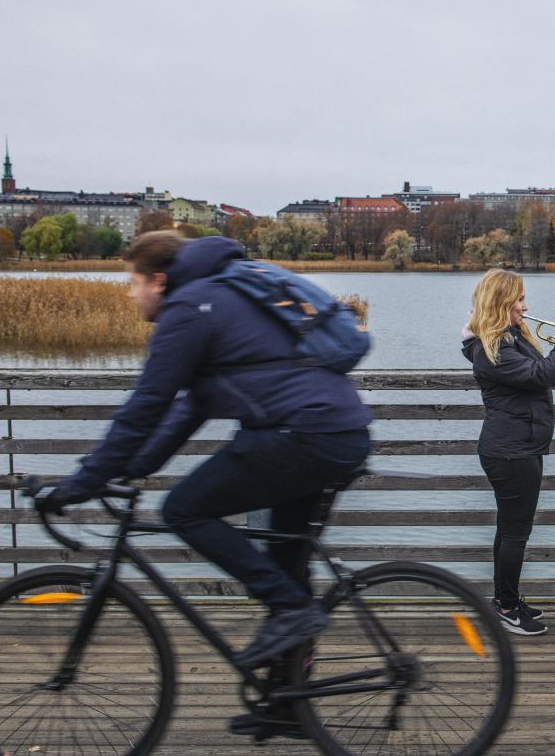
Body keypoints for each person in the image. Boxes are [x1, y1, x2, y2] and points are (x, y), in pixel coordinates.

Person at [34, 230, 371, 735]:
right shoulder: (220, 295)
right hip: (335, 431)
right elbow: (187, 409)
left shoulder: (190, 307)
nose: (130, 294)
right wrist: (130, 468)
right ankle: (288, 702)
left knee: (183, 510)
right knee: (286, 562)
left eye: (133, 282)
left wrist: (84, 481)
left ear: (158, 280)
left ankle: (292, 612)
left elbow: (146, 403)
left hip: (302, 435)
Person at [461, 269, 555, 636]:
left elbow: (534, 370)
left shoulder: (507, 337)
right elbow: (540, 376)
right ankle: (506, 609)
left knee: (511, 529)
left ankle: (508, 599)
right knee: (516, 532)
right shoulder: (492, 348)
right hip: (510, 450)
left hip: (519, 444)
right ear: (501, 303)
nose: (525, 306)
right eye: (518, 300)